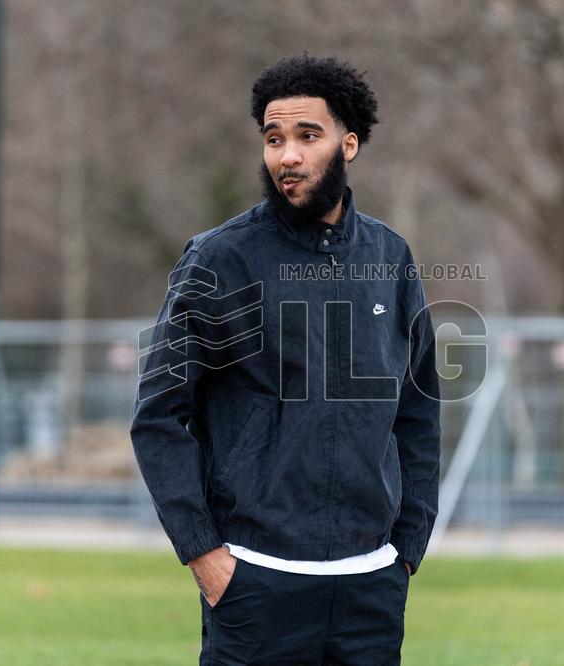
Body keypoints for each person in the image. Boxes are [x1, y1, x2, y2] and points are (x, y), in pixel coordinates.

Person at [130, 54, 442, 665]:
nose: (287, 156)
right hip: (255, 584)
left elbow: (418, 411)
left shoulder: (391, 258)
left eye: (307, 135)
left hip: (370, 588)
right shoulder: (219, 261)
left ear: (348, 145)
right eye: (273, 139)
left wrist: (406, 547)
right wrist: (205, 554)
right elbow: (159, 416)